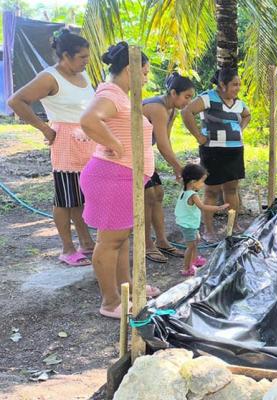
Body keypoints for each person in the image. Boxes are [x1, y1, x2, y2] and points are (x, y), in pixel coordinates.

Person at [79, 42, 160, 319]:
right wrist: (114, 143)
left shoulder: (119, 95)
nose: (147, 79)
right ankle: (110, 302)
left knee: (120, 239)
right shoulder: (112, 94)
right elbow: (89, 120)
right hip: (112, 176)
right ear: (130, 70)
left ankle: (127, 290)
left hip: (121, 177)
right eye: (145, 72)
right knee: (109, 242)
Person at [6, 29, 95, 266]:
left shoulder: (83, 76)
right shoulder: (49, 77)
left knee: (80, 197)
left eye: (87, 56)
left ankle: (86, 242)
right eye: (82, 57)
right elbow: (16, 101)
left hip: (88, 142)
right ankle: (67, 248)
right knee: (65, 199)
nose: (87, 61)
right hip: (66, 142)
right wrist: (44, 128)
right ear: (65, 55)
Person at [181, 68, 250, 242]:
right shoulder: (207, 98)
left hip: (234, 151)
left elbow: (247, 115)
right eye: (234, 84)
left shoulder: (238, 102)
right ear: (222, 84)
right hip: (213, 151)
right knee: (211, 191)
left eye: (239, 84)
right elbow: (186, 112)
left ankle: (233, 225)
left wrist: (239, 130)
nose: (238, 88)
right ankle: (209, 230)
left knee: (231, 189)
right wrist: (198, 136)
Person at [141, 73, 195, 263]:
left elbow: (167, 141)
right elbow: (162, 145)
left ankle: (162, 241)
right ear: (173, 93)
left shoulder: (172, 110)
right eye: (186, 97)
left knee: (158, 194)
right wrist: (180, 168)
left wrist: (174, 166)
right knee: (147, 197)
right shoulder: (157, 107)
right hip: (130, 155)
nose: (188, 102)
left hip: (144, 154)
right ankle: (146, 245)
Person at [175, 163, 229, 277]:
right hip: (188, 225)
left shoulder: (184, 188)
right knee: (190, 246)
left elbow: (182, 178)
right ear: (193, 182)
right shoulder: (193, 195)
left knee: (196, 240)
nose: (203, 184)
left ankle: (194, 260)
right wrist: (219, 207)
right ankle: (186, 268)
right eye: (202, 181)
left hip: (188, 223)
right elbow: (203, 207)